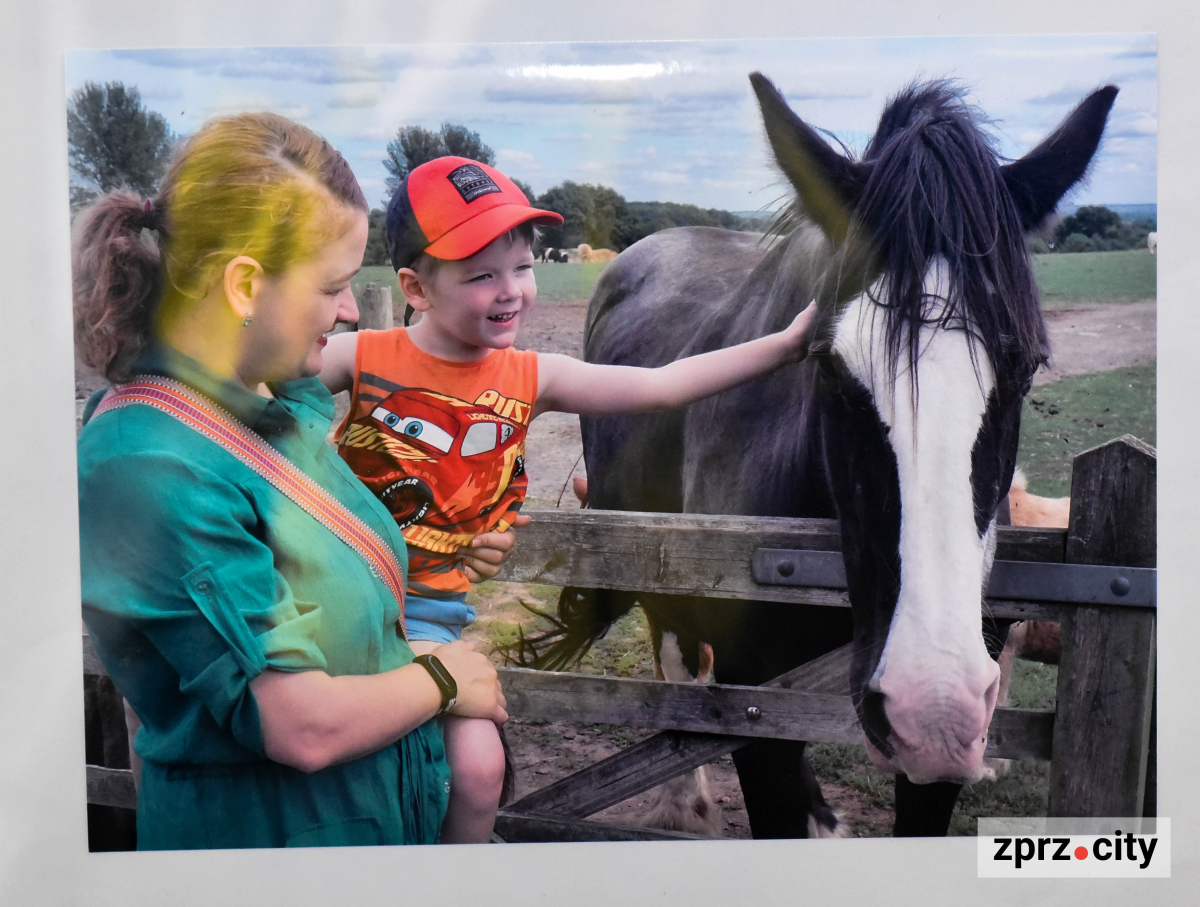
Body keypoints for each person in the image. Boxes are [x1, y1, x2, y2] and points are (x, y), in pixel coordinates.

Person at [319, 155, 819, 844]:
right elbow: (255, 394)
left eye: (521, 267)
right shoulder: (362, 360)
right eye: (481, 274)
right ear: (416, 286)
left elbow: (664, 386)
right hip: (333, 606)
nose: (512, 291)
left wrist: (787, 343)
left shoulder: (531, 375)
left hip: (429, 620)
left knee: (479, 766)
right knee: (337, 772)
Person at [74, 115, 512, 850]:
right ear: (245, 283)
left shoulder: (270, 401)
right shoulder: (148, 461)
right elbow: (295, 722)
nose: (348, 309)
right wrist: (442, 678)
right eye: (334, 284)